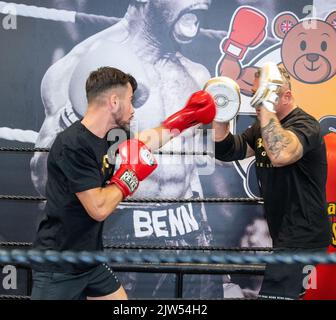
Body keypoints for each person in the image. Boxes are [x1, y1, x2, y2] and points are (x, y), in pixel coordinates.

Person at [31, 0, 222, 298]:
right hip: (106, 235)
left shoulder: (196, 75)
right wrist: (127, 177)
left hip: (186, 229)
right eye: (130, 103)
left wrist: (185, 119)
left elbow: (158, 150)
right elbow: (45, 180)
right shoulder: (77, 69)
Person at [212, 62, 331, 300]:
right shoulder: (262, 128)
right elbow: (227, 150)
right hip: (285, 235)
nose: (256, 101)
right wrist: (221, 113)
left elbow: (281, 154)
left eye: (262, 94)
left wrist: (265, 105)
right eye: (254, 93)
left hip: (305, 238)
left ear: (286, 96)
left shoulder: (306, 125)